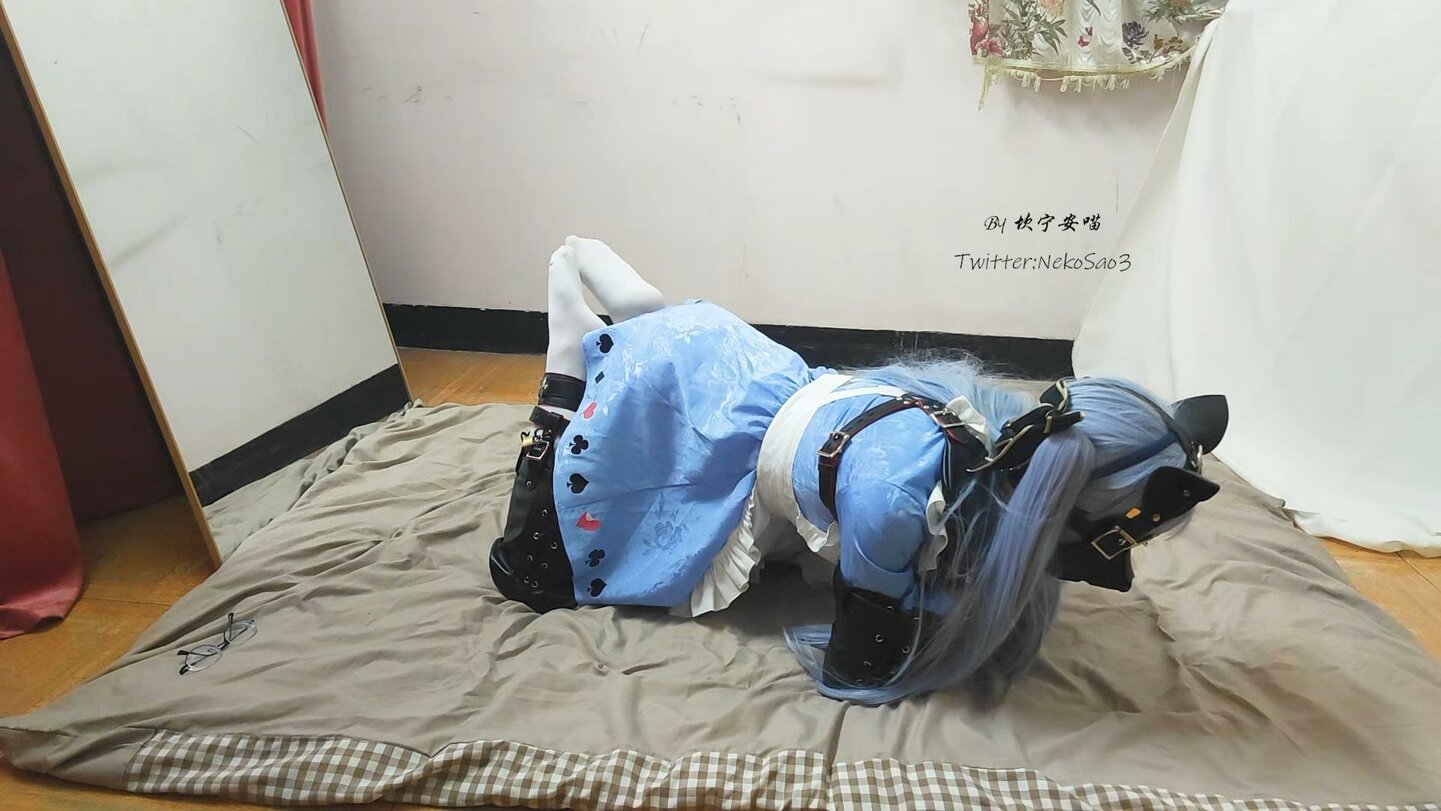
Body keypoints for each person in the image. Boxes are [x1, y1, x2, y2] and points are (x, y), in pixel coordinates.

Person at [490, 237, 1229, 704]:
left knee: (669, 350)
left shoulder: (978, 443)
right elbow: (861, 657)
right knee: (536, 569)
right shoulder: (897, 503)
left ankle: (642, 315)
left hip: (747, 369)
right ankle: (574, 345)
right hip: (727, 415)